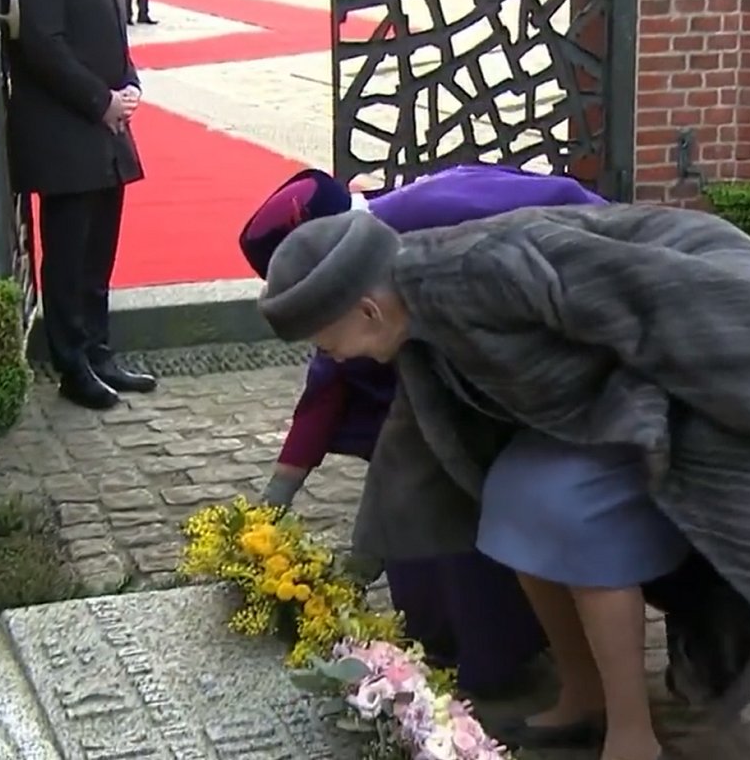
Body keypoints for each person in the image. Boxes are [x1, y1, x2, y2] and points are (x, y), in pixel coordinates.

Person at [256, 204, 750, 760]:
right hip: (609, 377)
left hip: (708, 318)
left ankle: (634, 737)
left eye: (328, 342)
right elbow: (415, 441)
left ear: (368, 311)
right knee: (513, 501)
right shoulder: (415, 311)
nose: (333, 356)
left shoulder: (480, 269)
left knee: (572, 514)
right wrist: (366, 554)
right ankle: (584, 695)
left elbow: (642, 296)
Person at [239, 164, 610, 697]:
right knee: (416, 501)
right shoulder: (365, 271)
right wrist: (276, 502)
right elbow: (331, 382)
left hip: (535, 369)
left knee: (465, 506)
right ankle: (445, 645)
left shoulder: (434, 221)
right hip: (437, 392)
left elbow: (569, 223)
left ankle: (496, 656)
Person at [9, 0, 158, 409]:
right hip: (64, 129)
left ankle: (97, 352)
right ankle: (72, 365)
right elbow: (43, 46)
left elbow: (115, 39)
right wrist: (101, 100)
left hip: (103, 132)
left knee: (97, 256)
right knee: (69, 258)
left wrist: (129, 85)